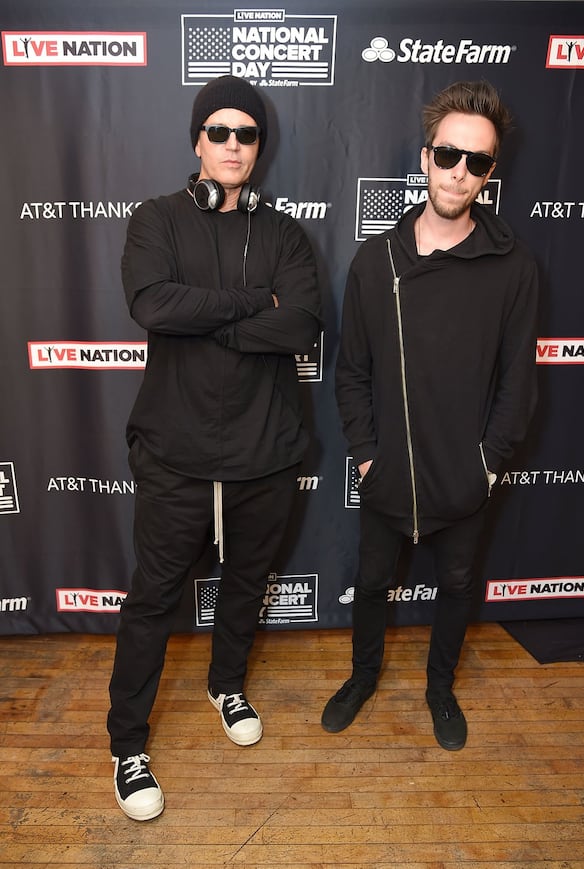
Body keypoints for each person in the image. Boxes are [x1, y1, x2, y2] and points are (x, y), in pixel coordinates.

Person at [107, 74, 321, 820]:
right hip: (175, 451)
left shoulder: (287, 234)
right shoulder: (156, 218)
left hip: (266, 452)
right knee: (154, 598)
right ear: (198, 141)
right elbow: (152, 303)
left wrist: (212, 318)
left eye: (247, 134)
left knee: (246, 579)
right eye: (219, 132)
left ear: (259, 148)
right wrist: (246, 305)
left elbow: (298, 325)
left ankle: (225, 682)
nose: (233, 145)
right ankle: (126, 741)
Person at [322, 80, 538, 751]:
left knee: (456, 585)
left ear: (490, 173)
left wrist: (487, 464)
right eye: (449, 155)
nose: (459, 173)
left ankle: (439, 688)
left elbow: (519, 381)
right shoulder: (374, 259)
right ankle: (363, 676)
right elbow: (350, 371)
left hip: (464, 480)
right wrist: (366, 454)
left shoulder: (513, 267)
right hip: (388, 474)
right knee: (372, 581)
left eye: (476, 162)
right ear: (425, 158)